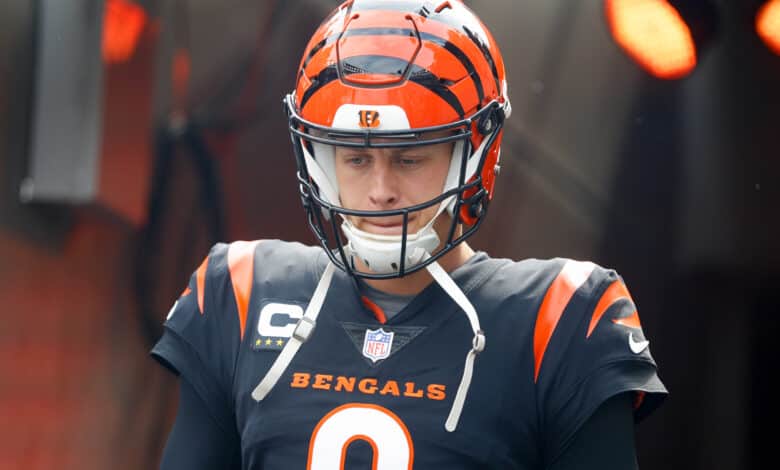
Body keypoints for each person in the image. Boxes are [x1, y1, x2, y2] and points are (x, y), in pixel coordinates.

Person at [151, 1, 667, 468]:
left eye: (409, 158)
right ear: (320, 162)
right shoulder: (240, 291)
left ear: (475, 154)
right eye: (356, 159)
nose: (380, 191)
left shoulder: (561, 318)